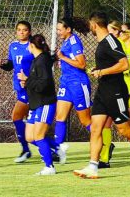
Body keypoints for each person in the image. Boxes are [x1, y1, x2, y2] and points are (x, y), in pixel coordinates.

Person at [72, 12, 130, 179]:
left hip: (115, 91)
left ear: (94, 25)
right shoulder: (102, 43)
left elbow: (124, 64)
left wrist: (102, 72)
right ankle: (93, 166)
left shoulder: (111, 41)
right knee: (96, 128)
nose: (90, 28)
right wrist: (98, 71)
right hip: (103, 91)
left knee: (124, 129)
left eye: (90, 25)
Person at [54, 17, 93, 164]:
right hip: (66, 83)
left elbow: (82, 64)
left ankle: (104, 143)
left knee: (85, 120)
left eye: (60, 29)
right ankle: (58, 151)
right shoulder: (65, 42)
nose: (58, 32)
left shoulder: (74, 41)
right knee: (60, 117)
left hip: (78, 84)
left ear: (68, 29)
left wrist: (63, 58)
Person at [17, 34, 58, 175]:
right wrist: (26, 82)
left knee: (39, 136)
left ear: (32, 46)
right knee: (30, 137)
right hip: (35, 104)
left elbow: (45, 84)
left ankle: (49, 167)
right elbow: (37, 82)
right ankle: (56, 149)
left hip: (45, 103)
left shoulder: (42, 61)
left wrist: (26, 80)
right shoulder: (37, 60)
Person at [0, 21, 36, 163]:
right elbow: (12, 65)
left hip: (31, 88)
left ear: (29, 32)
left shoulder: (33, 46)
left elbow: (40, 67)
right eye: (19, 30)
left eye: (24, 30)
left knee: (16, 117)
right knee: (28, 123)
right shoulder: (13, 46)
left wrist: (29, 79)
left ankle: (29, 149)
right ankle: (50, 148)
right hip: (19, 88)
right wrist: (3, 64)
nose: (21, 32)